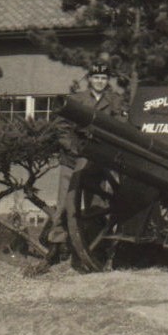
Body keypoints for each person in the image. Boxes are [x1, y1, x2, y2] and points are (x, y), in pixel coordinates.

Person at [47, 59, 127, 255]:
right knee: (65, 203)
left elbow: (120, 126)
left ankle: (95, 245)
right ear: (90, 79)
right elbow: (61, 128)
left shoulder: (115, 101)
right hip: (72, 159)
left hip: (98, 160)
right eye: (96, 77)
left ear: (107, 80)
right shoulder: (76, 99)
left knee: (98, 205)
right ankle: (58, 246)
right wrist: (72, 147)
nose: (100, 81)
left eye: (103, 78)